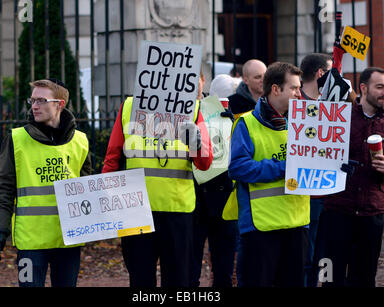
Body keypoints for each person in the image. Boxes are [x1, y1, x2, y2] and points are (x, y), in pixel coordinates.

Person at [102, 86, 213, 287]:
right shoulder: (129, 106)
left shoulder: (193, 109)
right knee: (140, 279)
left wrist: (196, 144)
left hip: (177, 210)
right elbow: (113, 158)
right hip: (136, 210)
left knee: (178, 280)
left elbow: (205, 164)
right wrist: (107, 199)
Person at [0, 78, 92, 287]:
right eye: (32, 100)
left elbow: (88, 188)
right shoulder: (17, 139)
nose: (34, 106)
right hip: (31, 242)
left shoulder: (80, 141)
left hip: (68, 240)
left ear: (60, 104)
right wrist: (0, 230)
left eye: (41, 100)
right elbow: (5, 189)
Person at [229, 62, 310, 287]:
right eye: (294, 88)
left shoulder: (303, 124)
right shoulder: (247, 123)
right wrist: (284, 167)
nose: (299, 93)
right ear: (276, 89)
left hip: (296, 224)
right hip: (260, 228)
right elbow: (237, 168)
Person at [321, 67, 384, 287]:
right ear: (363, 88)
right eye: (380, 87)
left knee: (365, 278)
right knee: (328, 275)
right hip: (337, 209)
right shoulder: (340, 118)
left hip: (371, 212)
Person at [190, 74, 240, 287]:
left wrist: (232, 122)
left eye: (193, 78)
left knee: (224, 267)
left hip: (223, 194)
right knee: (189, 266)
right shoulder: (174, 113)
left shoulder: (221, 108)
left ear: (203, 80)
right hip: (192, 195)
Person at [299, 52, 332, 287]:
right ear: (321, 74)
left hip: (328, 192)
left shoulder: (330, 104)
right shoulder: (295, 104)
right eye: (332, 73)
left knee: (322, 258)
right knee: (305, 258)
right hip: (305, 193)